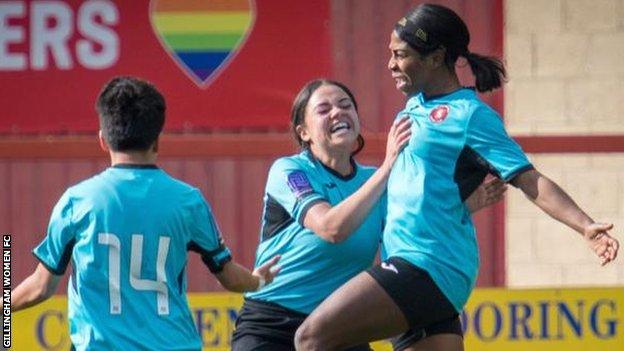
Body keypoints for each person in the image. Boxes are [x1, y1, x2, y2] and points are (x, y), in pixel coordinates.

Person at [294, 4, 620, 351]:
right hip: (422, 270)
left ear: (436, 58)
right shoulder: (415, 105)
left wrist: (584, 225)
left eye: (401, 55)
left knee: (310, 337)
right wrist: (462, 203)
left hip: (427, 266)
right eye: (391, 54)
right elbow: (428, 190)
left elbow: (529, 180)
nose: (390, 64)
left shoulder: (471, 116)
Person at [231, 79, 505, 351]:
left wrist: (466, 204)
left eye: (345, 105)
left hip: (334, 326)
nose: (337, 112)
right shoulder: (289, 170)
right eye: (324, 109)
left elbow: (415, 223)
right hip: (270, 326)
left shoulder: (374, 180)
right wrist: (388, 167)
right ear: (304, 132)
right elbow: (331, 228)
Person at [11, 76, 280, 351]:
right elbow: (230, 277)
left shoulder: (77, 202)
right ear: (157, 142)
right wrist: (258, 279)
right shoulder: (188, 202)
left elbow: (40, 288)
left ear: (103, 140)